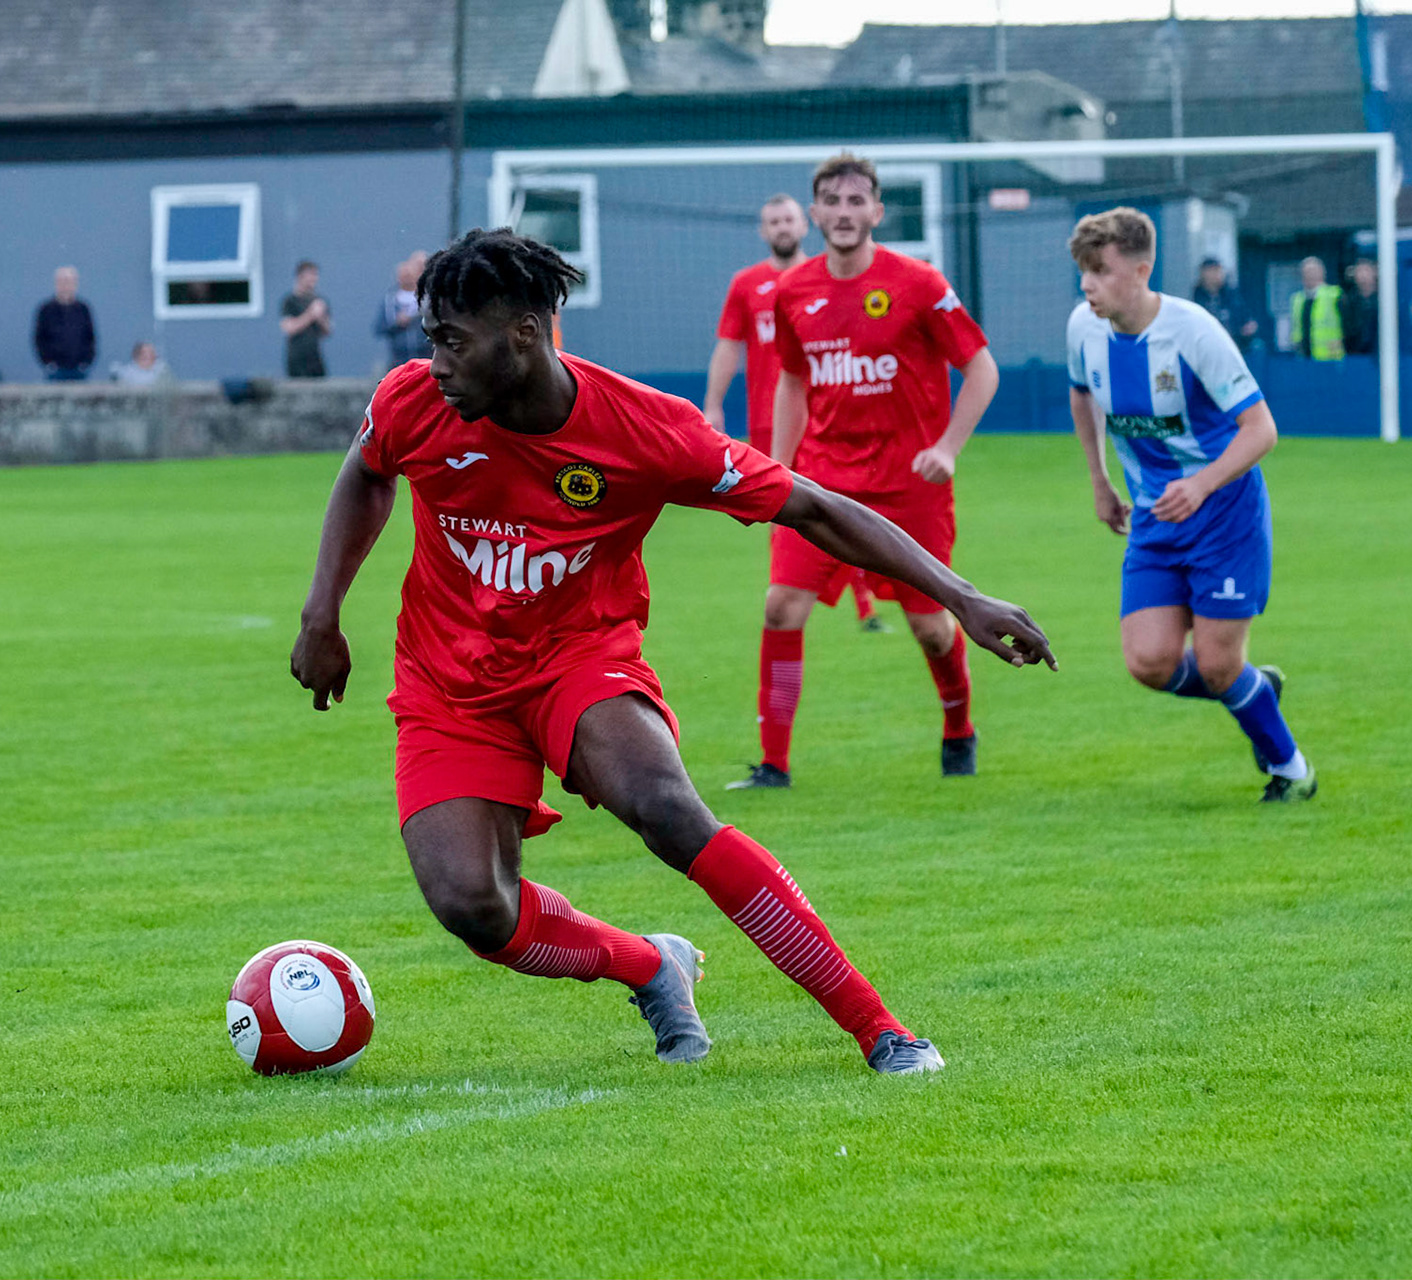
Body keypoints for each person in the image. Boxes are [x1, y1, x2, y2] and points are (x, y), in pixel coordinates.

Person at [289, 227, 1056, 1074]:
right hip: (448, 682)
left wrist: (962, 595)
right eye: (431, 340)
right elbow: (368, 470)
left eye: (452, 342)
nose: (434, 363)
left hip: (579, 659)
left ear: (525, 334)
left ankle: (882, 1030)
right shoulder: (412, 400)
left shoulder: (645, 429)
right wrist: (322, 615)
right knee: (474, 906)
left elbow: (813, 507)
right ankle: (652, 965)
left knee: (667, 808)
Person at [730, 153, 999, 790]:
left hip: (910, 487)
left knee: (932, 628)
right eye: (833, 201)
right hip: (823, 483)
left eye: (857, 201)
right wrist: (779, 470)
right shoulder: (793, 291)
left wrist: (948, 448)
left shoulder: (919, 283)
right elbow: (793, 381)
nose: (844, 212)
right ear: (815, 213)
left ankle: (958, 727)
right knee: (781, 608)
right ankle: (774, 764)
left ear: (878, 211)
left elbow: (982, 369)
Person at [1064, 208, 1314, 803]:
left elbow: (1261, 430)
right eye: (1083, 271)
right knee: (1149, 662)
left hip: (1224, 516)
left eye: (1100, 271)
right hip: (1156, 517)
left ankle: (1292, 770)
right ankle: (1256, 691)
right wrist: (1099, 479)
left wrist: (1201, 485)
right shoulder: (1083, 327)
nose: (1088, 285)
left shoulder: (1194, 332)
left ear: (1141, 270)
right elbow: (1081, 394)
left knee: (1218, 664)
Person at [706, 194, 885, 634]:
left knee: (840, 505)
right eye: (774, 222)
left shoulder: (831, 280)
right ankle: (790, 598)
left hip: (826, 419)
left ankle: (865, 605)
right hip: (769, 424)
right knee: (781, 511)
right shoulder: (746, 284)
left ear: (804, 224)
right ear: (763, 231)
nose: (782, 227)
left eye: (788, 219)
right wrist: (713, 403)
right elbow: (729, 346)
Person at [34, 266, 96, 380]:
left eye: (69, 281)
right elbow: (39, 338)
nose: (66, 285)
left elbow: (90, 337)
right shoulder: (46, 309)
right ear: (56, 284)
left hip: (79, 370)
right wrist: (48, 362)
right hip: (55, 371)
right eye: (62, 281)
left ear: (75, 284)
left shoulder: (83, 309)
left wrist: (86, 362)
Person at [375, 254, 432, 367]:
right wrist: (397, 323)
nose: (406, 278)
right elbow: (380, 328)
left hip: (425, 355)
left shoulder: (426, 297)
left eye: (409, 275)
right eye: (403, 276)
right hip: (400, 358)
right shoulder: (390, 301)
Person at [1191, 259, 1258, 349]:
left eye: (1217, 271)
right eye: (1210, 271)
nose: (1214, 276)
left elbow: (1246, 318)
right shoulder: (1197, 299)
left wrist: (1248, 328)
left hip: (1235, 343)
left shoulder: (1232, 296)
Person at [281, 260, 332, 377]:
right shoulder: (290, 301)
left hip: (315, 357)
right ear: (300, 276)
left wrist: (321, 317)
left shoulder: (319, 301)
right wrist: (310, 314)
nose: (314, 279)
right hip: (297, 358)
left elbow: (327, 331)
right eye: (310, 275)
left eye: (315, 275)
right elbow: (289, 328)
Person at [1288, 257, 1344, 361]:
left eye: (1313, 271)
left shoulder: (1334, 294)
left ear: (1322, 273)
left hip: (1330, 357)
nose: (1309, 275)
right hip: (1304, 357)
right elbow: (1296, 327)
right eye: (1306, 272)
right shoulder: (1297, 299)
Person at [1340, 259, 1379, 357]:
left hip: (1379, 354)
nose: (1363, 275)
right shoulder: (1348, 302)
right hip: (1355, 356)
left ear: (1374, 273)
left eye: (1366, 271)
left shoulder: (1384, 301)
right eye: (1359, 271)